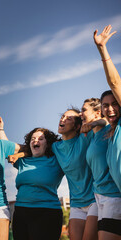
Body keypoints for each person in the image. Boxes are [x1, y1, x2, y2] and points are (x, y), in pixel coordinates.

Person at [52, 108, 98, 240]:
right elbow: (33, 146)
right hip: (76, 203)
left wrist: (90, 122)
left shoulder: (85, 137)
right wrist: (20, 154)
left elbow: (104, 123)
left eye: (69, 118)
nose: (62, 119)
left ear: (77, 126)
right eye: (62, 116)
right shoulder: (55, 147)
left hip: (94, 199)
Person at [12, 128, 63, 240]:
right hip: (20, 212)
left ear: (47, 143)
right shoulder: (23, 161)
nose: (36, 141)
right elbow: (7, 147)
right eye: (33, 139)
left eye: (41, 138)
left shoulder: (56, 160)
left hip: (47, 212)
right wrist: (0, 129)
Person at [94, 24, 121, 237]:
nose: (110, 108)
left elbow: (114, 82)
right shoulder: (109, 135)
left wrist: (102, 49)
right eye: (105, 104)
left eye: (115, 103)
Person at [81, 97, 121, 239]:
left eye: (84, 110)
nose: (81, 114)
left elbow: (104, 121)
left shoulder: (108, 128)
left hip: (113, 194)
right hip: (99, 196)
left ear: (98, 113)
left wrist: (94, 123)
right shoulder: (93, 136)